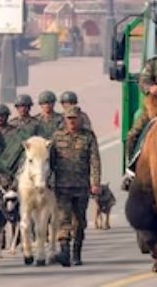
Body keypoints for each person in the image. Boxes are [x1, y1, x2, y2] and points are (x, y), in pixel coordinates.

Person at [49, 105, 101, 267]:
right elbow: (49, 162)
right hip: (62, 187)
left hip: (81, 186)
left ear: (80, 119)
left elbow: (95, 161)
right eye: (68, 119)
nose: (71, 122)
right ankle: (64, 252)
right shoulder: (57, 137)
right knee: (63, 219)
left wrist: (95, 183)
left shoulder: (88, 137)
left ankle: (76, 253)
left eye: (74, 119)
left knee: (79, 222)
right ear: (65, 120)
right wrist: (47, 182)